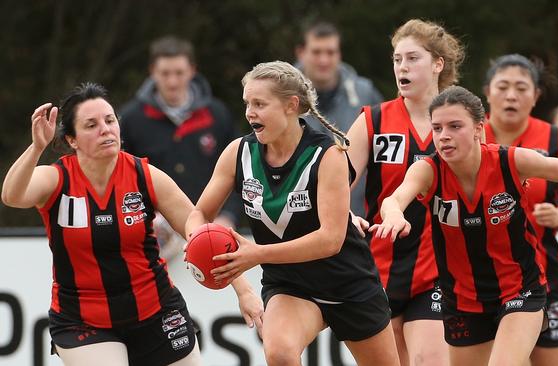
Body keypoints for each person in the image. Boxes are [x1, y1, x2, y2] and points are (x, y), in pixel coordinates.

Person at [370, 85, 558, 366]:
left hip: (519, 290)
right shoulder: (428, 170)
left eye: (455, 126)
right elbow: (395, 198)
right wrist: (393, 214)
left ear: (479, 129)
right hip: (462, 300)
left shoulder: (508, 161)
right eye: (437, 128)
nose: (444, 136)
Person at [184, 61, 400, 366]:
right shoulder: (238, 153)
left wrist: (258, 253)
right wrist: (196, 239)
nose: (250, 112)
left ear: (291, 105)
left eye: (259, 103)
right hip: (290, 285)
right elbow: (199, 213)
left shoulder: (328, 155)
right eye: (247, 103)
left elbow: (330, 240)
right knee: (280, 354)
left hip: (347, 283)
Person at [1, 83, 202, 365]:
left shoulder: (144, 175)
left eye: (110, 120)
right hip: (83, 320)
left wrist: (243, 291)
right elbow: (12, 195)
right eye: (91, 125)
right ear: (72, 139)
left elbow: (200, 230)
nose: (106, 129)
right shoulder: (57, 179)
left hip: (156, 309)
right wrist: (36, 148)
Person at [346, 19, 464, 365]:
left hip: (438, 270)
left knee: (430, 360)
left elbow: (486, 184)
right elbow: (334, 182)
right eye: (397, 59)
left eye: (412, 58)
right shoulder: (374, 120)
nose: (402, 67)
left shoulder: (460, 123)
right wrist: (343, 213)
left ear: (437, 64)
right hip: (377, 269)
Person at [482, 54, 558, 365]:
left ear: (537, 95)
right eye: (503, 87)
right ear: (487, 92)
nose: (511, 95)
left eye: (521, 88)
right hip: (482, 275)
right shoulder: (468, 135)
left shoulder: (554, 138)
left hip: (544, 272)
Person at [120, 35, 240, 259]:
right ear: (152, 71)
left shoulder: (217, 115)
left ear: (192, 70)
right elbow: (120, 176)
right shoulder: (130, 118)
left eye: (179, 73)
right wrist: (142, 218)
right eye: (165, 74)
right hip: (150, 239)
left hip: (212, 233)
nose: (172, 81)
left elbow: (239, 171)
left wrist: (229, 215)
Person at [295, 21, 384, 216]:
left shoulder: (365, 94)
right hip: (298, 218)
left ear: (339, 54)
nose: (324, 60)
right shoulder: (282, 96)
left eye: (330, 52)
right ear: (301, 53)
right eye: (317, 52)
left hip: (358, 219)